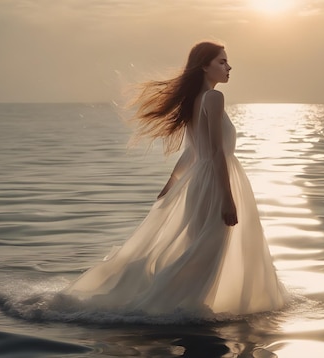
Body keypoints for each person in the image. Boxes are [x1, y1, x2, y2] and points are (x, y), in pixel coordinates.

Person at [61, 41, 287, 317]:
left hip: (200, 183)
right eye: (222, 61)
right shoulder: (213, 99)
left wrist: (170, 186)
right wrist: (227, 199)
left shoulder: (195, 101)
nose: (229, 67)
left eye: (227, 62)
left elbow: (194, 151)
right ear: (204, 66)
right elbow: (214, 151)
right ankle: (174, 305)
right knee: (206, 251)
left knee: (201, 249)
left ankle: (183, 303)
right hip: (215, 185)